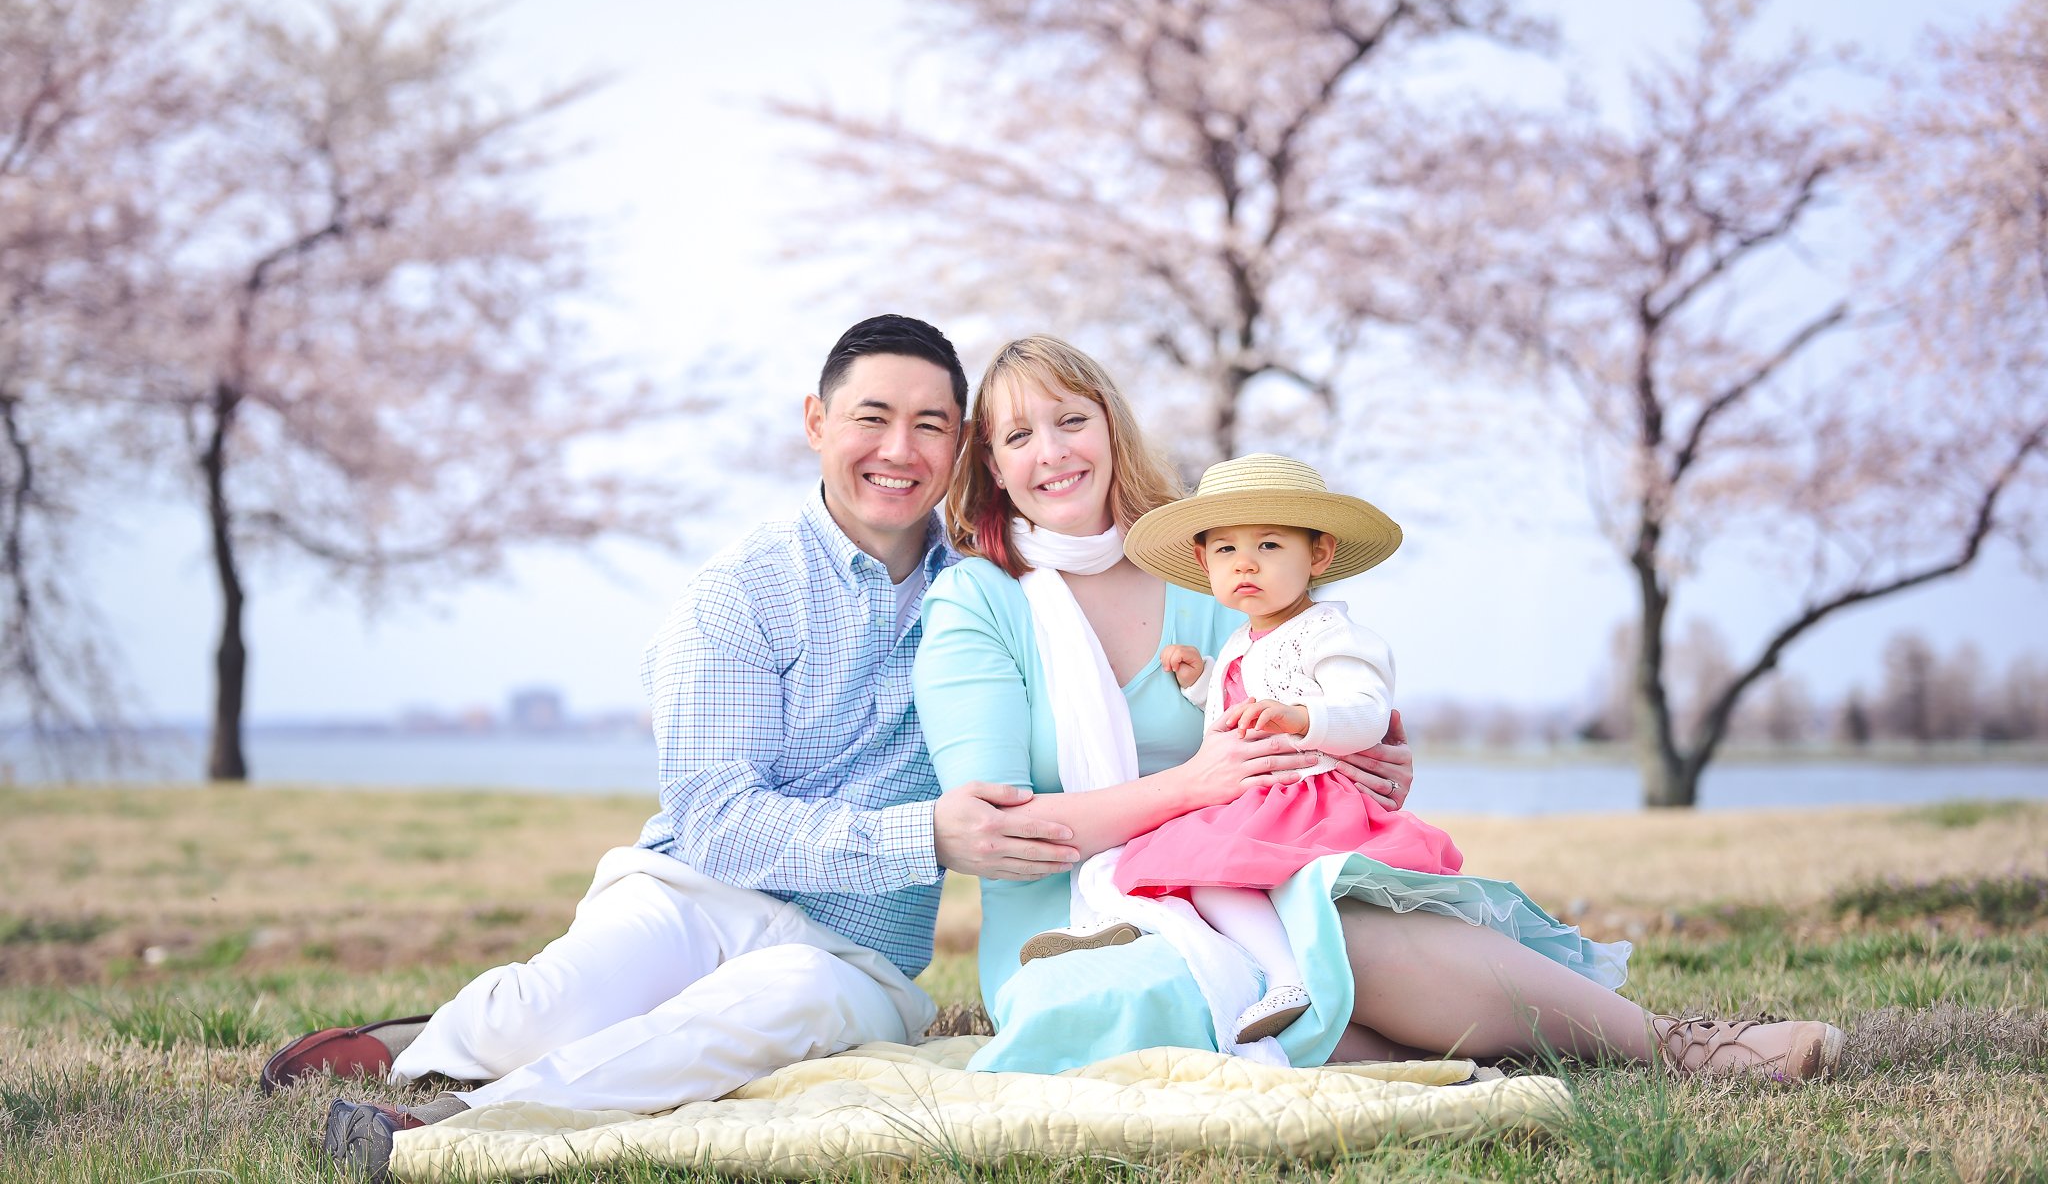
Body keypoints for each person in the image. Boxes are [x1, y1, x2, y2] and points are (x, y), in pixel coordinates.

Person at [273, 315, 1085, 1181]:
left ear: (960, 444)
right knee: (546, 1010)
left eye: (931, 425)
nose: (900, 447)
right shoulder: (739, 590)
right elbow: (716, 823)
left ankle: (462, 1120)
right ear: (816, 422)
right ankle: (434, 1036)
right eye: (871, 417)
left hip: (857, 955)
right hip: (697, 891)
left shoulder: (983, 599)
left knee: (778, 1002)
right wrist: (923, 835)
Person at [914, 333, 1846, 1079]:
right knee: (1145, 1008)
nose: (1053, 452)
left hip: (1256, 868)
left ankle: (1682, 1047)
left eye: (1071, 420)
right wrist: (1196, 785)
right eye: (1019, 435)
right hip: (1079, 925)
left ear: (1111, 428)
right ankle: (1503, 1040)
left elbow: (1315, 694)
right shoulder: (978, 602)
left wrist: (1362, 756)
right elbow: (1003, 829)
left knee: (1326, 913)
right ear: (991, 464)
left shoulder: (1210, 573)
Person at [1019, 452, 1468, 1047]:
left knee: (1211, 871)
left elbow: (1366, 712)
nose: (1246, 563)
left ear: (1320, 554)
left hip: (1305, 793)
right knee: (1154, 853)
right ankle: (1128, 921)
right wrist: (1200, 680)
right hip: (1251, 792)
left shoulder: (1332, 635)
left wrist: (1304, 717)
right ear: (1204, 563)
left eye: (1271, 546)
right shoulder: (1240, 639)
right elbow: (1241, 701)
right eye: (1226, 550)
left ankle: (1289, 975)